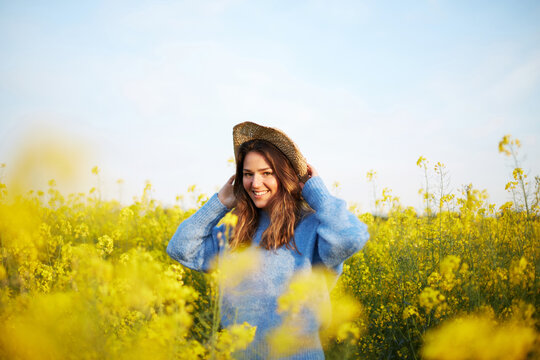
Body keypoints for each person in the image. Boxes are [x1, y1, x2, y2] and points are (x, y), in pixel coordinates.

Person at [167, 122, 369, 359]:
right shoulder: (235, 231)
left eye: (266, 173)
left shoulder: (312, 227)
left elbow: (352, 237)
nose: (255, 184)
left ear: (284, 175)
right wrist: (219, 202)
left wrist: (316, 191)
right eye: (247, 174)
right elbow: (181, 248)